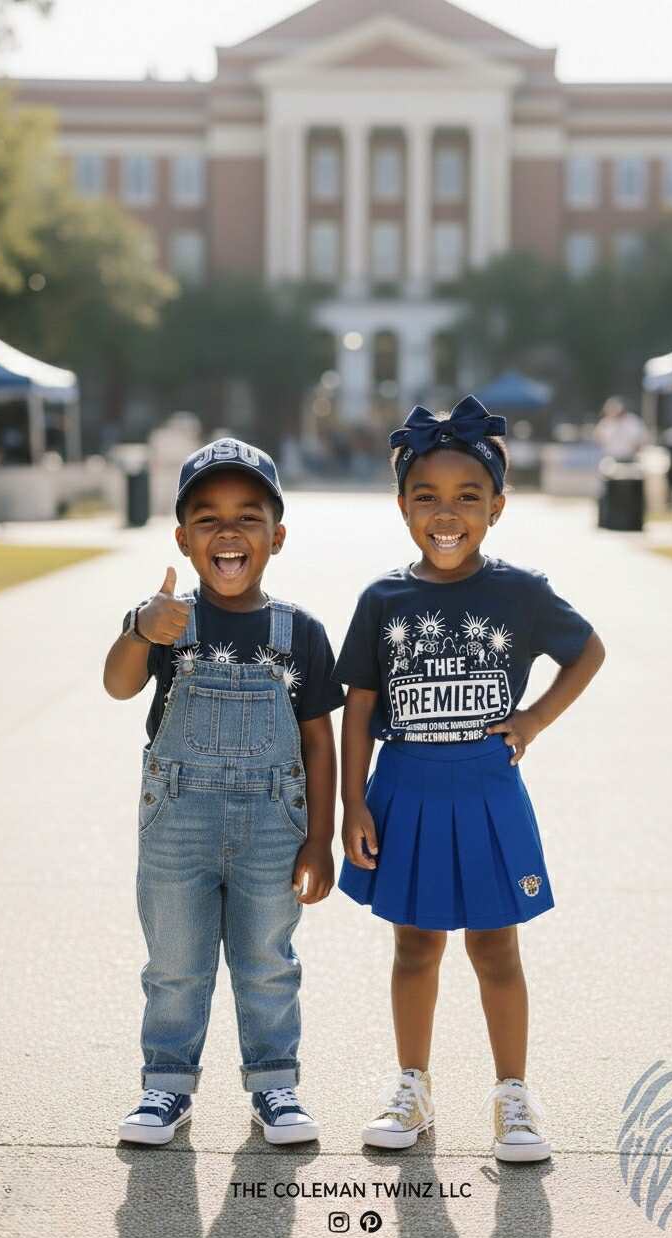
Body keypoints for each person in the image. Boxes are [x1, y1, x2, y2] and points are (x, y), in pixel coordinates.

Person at [333, 396, 605, 1162]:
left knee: (496, 949)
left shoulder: (518, 591)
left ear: (497, 508)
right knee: (415, 947)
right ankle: (411, 1089)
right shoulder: (384, 599)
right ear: (402, 506)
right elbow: (359, 707)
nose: (446, 515)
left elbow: (588, 651)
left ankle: (513, 1097)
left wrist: (535, 720)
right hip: (405, 791)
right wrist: (354, 802)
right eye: (427, 497)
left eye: (467, 499)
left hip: (487, 793)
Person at [103, 436, 344, 1146]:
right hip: (179, 818)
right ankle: (165, 1089)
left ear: (277, 535)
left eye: (248, 516)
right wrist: (141, 629)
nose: (228, 531)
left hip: (275, 821)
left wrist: (321, 838)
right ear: (183, 538)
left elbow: (319, 741)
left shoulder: (299, 631)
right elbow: (118, 685)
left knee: (267, 959)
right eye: (207, 518)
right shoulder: (167, 620)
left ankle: (275, 1085)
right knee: (175, 960)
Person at [592, 395, 648, 461]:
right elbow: (597, 438)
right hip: (611, 458)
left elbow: (641, 439)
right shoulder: (605, 423)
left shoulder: (632, 421)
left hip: (630, 458)